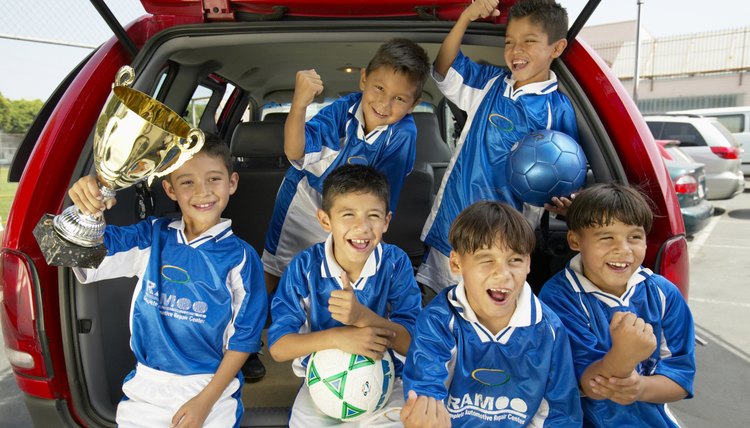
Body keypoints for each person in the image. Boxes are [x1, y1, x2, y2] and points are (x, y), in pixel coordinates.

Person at [70, 136, 267, 428]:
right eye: (187, 182)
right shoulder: (152, 237)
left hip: (211, 389)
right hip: (147, 389)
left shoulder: (241, 258)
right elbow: (77, 251)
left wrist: (205, 402)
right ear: (169, 189)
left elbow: (244, 339)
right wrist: (85, 209)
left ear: (232, 182)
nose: (203, 191)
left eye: (214, 179)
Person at [418, 0, 580, 294]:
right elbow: (443, 68)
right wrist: (466, 15)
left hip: (500, 245)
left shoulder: (556, 110)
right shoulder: (490, 83)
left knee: (486, 317)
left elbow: (565, 176)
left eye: (529, 41)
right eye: (509, 41)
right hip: (450, 224)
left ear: (556, 48)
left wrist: (567, 204)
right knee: (440, 311)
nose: (516, 50)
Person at [262, 38, 430, 296]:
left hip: (356, 211)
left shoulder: (403, 134)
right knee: (277, 268)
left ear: (413, 105)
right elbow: (295, 151)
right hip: (307, 201)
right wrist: (299, 104)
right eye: (379, 88)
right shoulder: (340, 113)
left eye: (399, 98)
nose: (384, 104)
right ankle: (254, 326)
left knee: (347, 272)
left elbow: (384, 194)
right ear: (363, 80)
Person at [401, 201, 582, 428]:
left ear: (528, 264)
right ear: (456, 263)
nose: (503, 274)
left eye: (515, 260)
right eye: (487, 260)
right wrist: (423, 417)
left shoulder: (548, 329)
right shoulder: (438, 321)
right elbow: (426, 393)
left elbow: (560, 414)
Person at [268, 164, 422, 427]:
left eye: (373, 215)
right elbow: (279, 347)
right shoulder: (305, 268)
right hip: (321, 385)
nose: (361, 227)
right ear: (325, 220)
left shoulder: (395, 264)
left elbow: (413, 345)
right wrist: (338, 337)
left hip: (389, 381)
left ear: (386, 221)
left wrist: (362, 316)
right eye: (348, 214)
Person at [539, 183, 696, 427]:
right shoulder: (559, 296)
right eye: (606, 237)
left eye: (634, 236)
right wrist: (622, 356)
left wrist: (639, 388)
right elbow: (588, 385)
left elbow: (680, 379)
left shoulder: (663, 294)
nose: (622, 249)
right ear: (575, 241)